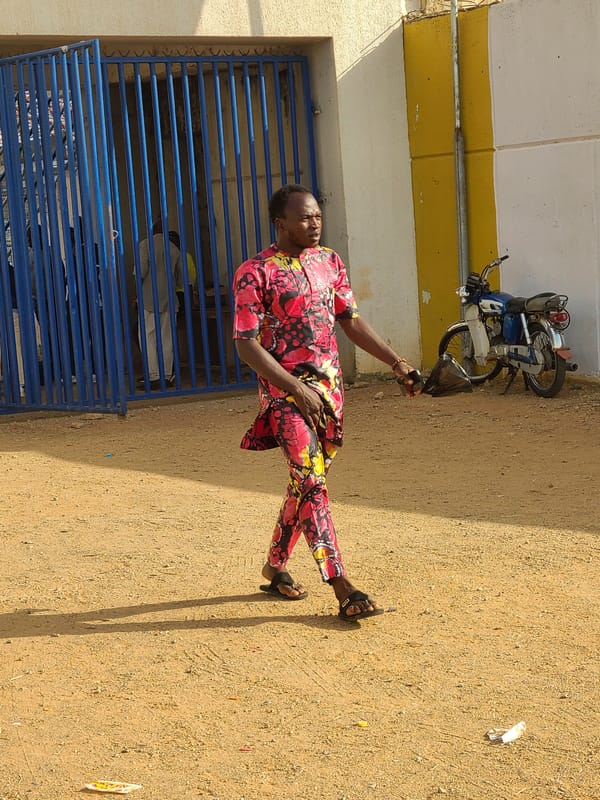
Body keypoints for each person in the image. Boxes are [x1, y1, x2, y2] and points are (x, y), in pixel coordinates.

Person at [232, 184, 420, 622]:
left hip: (330, 393)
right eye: (304, 218)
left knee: (306, 483)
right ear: (280, 223)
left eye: (317, 216)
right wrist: (294, 388)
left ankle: (275, 565)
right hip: (285, 395)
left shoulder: (329, 261)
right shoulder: (254, 272)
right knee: (312, 481)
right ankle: (342, 586)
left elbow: (349, 320)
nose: (314, 224)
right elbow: (245, 344)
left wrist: (397, 363)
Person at [136, 220, 183, 388]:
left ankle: (153, 375)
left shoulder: (144, 245)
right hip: (170, 300)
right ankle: (167, 375)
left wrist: (137, 295)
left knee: (147, 336)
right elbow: (182, 279)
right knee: (167, 338)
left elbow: (140, 273)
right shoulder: (174, 249)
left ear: (152, 229)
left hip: (148, 298)